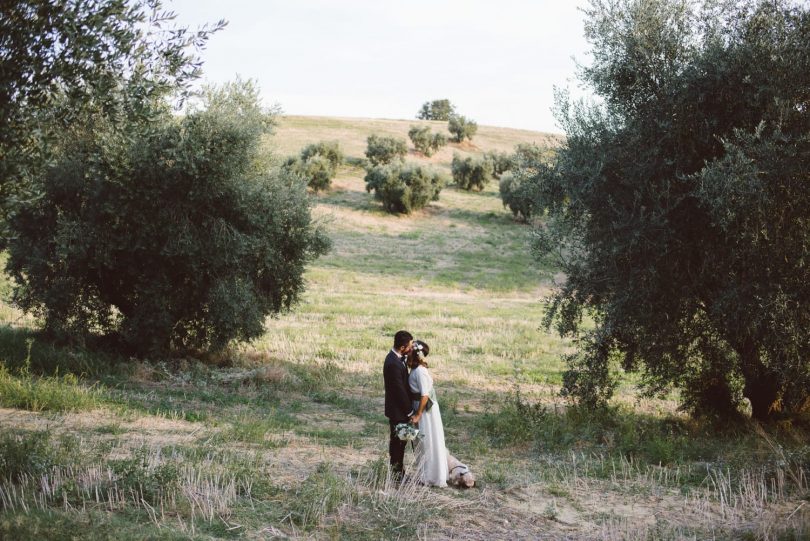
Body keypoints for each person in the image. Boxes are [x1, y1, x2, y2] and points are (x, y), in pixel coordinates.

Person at [408, 340, 448, 487]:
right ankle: (424, 473)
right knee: (422, 441)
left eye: (411, 349)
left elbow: (424, 395)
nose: (408, 351)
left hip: (425, 410)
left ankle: (432, 476)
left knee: (427, 439)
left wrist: (418, 414)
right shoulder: (415, 369)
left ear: (416, 353)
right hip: (419, 406)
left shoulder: (419, 371)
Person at [383, 330, 413, 482]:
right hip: (398, 412)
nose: (411, 349)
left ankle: (399, 473)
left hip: (399, 411)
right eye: (409, 346)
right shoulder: (393, 364)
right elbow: (399, 391)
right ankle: (397, 476)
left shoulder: (396, 358)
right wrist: (409, 412)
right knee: (397, 444)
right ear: (402, 347)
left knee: (401, 443)